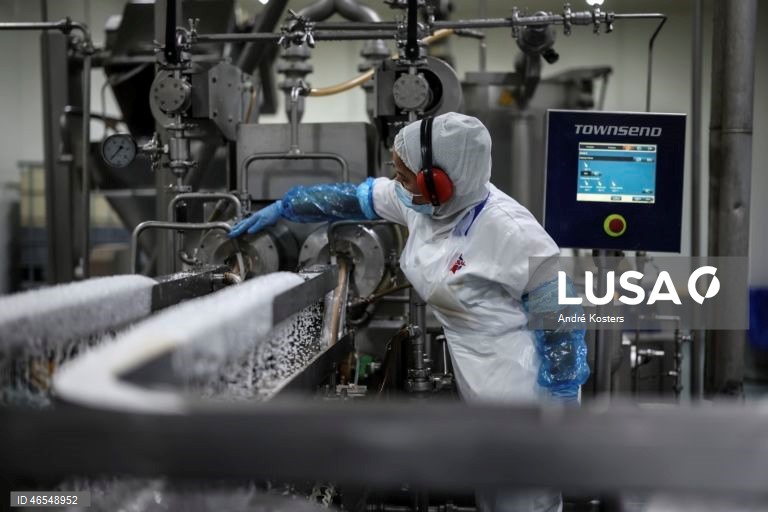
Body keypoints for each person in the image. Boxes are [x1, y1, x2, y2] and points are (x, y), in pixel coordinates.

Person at [230, 112, 589, 512]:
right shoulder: (423, 206)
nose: (396, 182)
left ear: (438, 182)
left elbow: (562, 315)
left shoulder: (511, 231)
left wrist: (561, 396)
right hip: (476, 376)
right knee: (492, 493)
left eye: (403, 175)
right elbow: (357, 198)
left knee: (523, 498)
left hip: (520, 389)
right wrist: (287, 206)